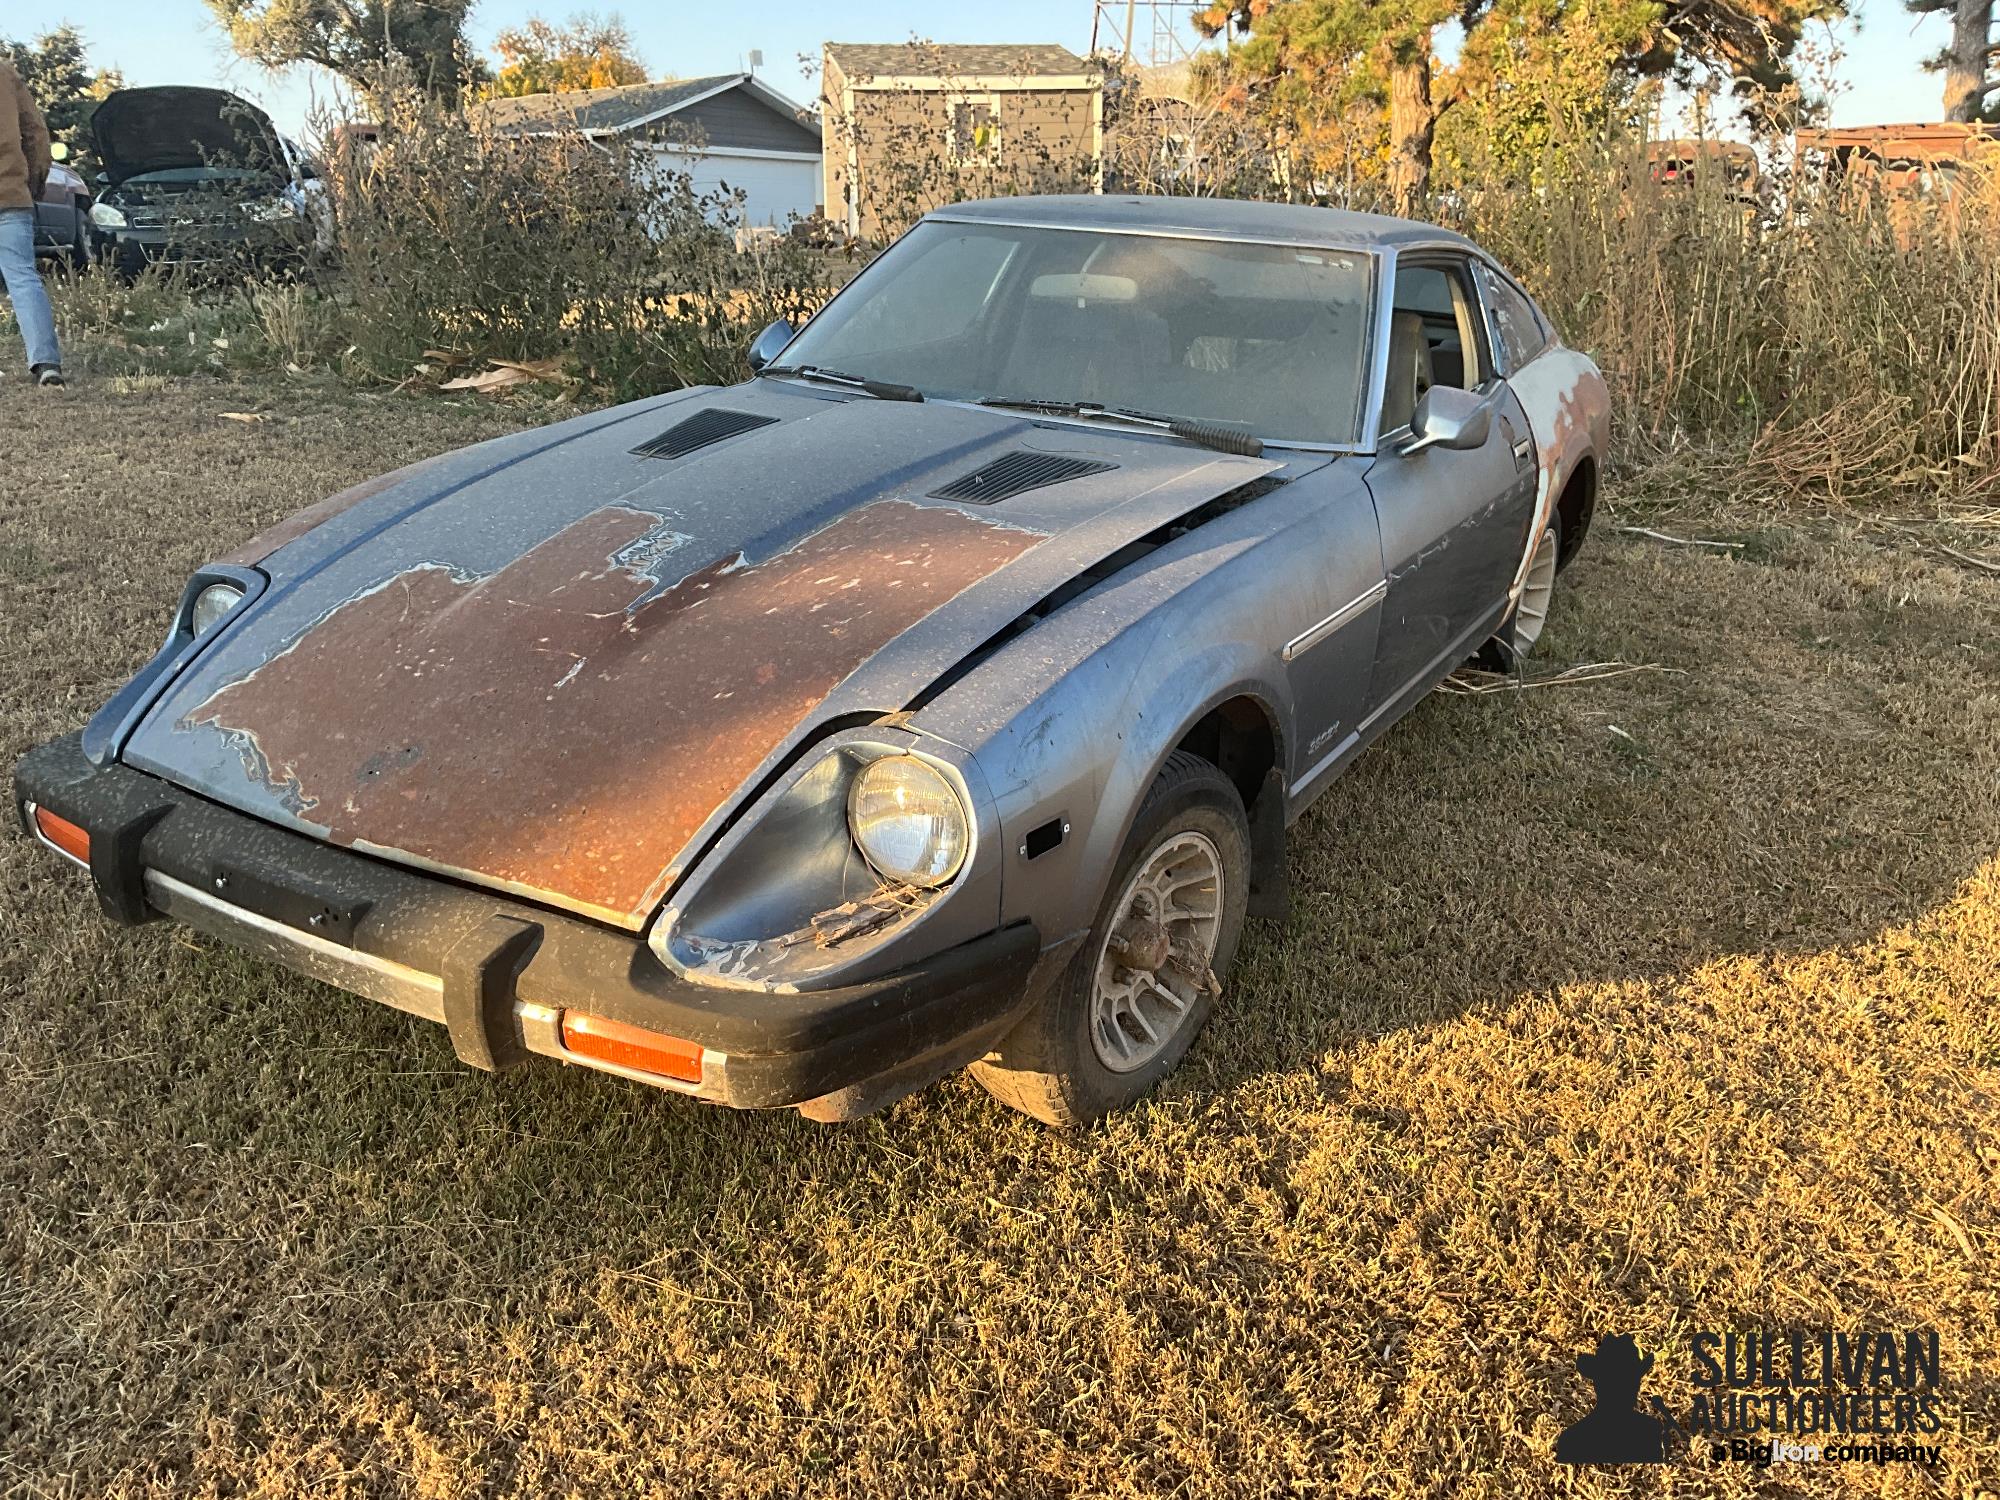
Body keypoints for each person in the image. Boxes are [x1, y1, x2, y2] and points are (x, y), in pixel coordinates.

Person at [0, 56, 63, 387]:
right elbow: (35, 131)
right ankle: (47, 363)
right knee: (23, 279)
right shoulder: (6, 72)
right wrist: (34, 184)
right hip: (10, 193)